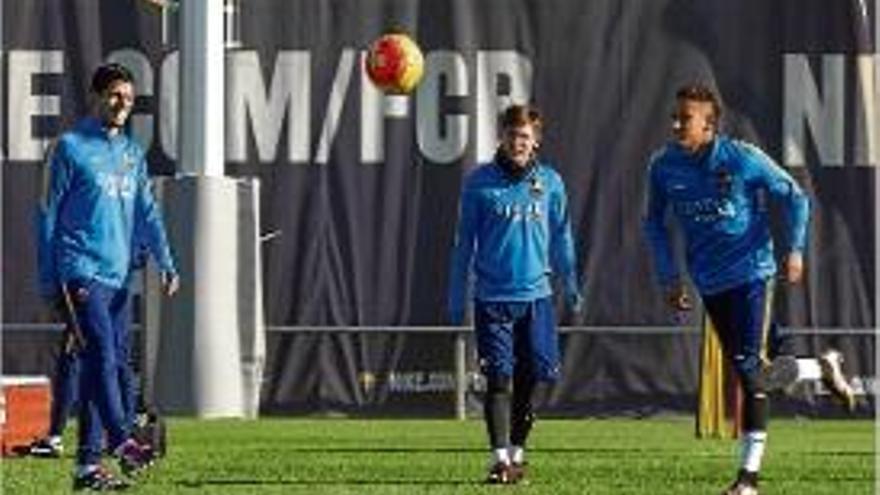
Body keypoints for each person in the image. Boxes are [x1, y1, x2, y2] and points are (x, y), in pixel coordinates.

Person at [642, 83, 855, 495]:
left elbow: (795, 197)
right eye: (674, 116)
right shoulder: (662, 166)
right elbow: (652, 223)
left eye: (685, 118)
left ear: (709, 124)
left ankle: (748, 480)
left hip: (752, 274)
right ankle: (820, 368)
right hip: (709, 282)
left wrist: (794, 249)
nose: (676, 124)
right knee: (765, 366)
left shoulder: (740, 157)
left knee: (750, 373)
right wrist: (669, 277)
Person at [36, 62, 179, 491]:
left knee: (111, 364)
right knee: (99, 354)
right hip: (78, 269)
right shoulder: (70, 147)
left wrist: (166, 260)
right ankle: (122, 440)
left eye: (129, 99)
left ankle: (86, 468)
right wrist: (49, 277)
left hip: (118, 277)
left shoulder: (132, 154)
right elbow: (46, 214)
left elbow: (147, 214)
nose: (122, 104)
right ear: (96, 96)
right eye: (116, 95)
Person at [447, 104, 582, 485]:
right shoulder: (479, 183)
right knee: (499, 379)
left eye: (525, 137)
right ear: (501, 138)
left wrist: (570, 283)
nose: (518, 143)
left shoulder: (551, 183)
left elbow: (562, 237)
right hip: (492, 299)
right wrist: (457, 294)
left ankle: (518, 454)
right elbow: (463, 244)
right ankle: (499, 459)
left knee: (530, 378)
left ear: (535, 141)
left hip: (537, 299)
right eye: (511, 135)